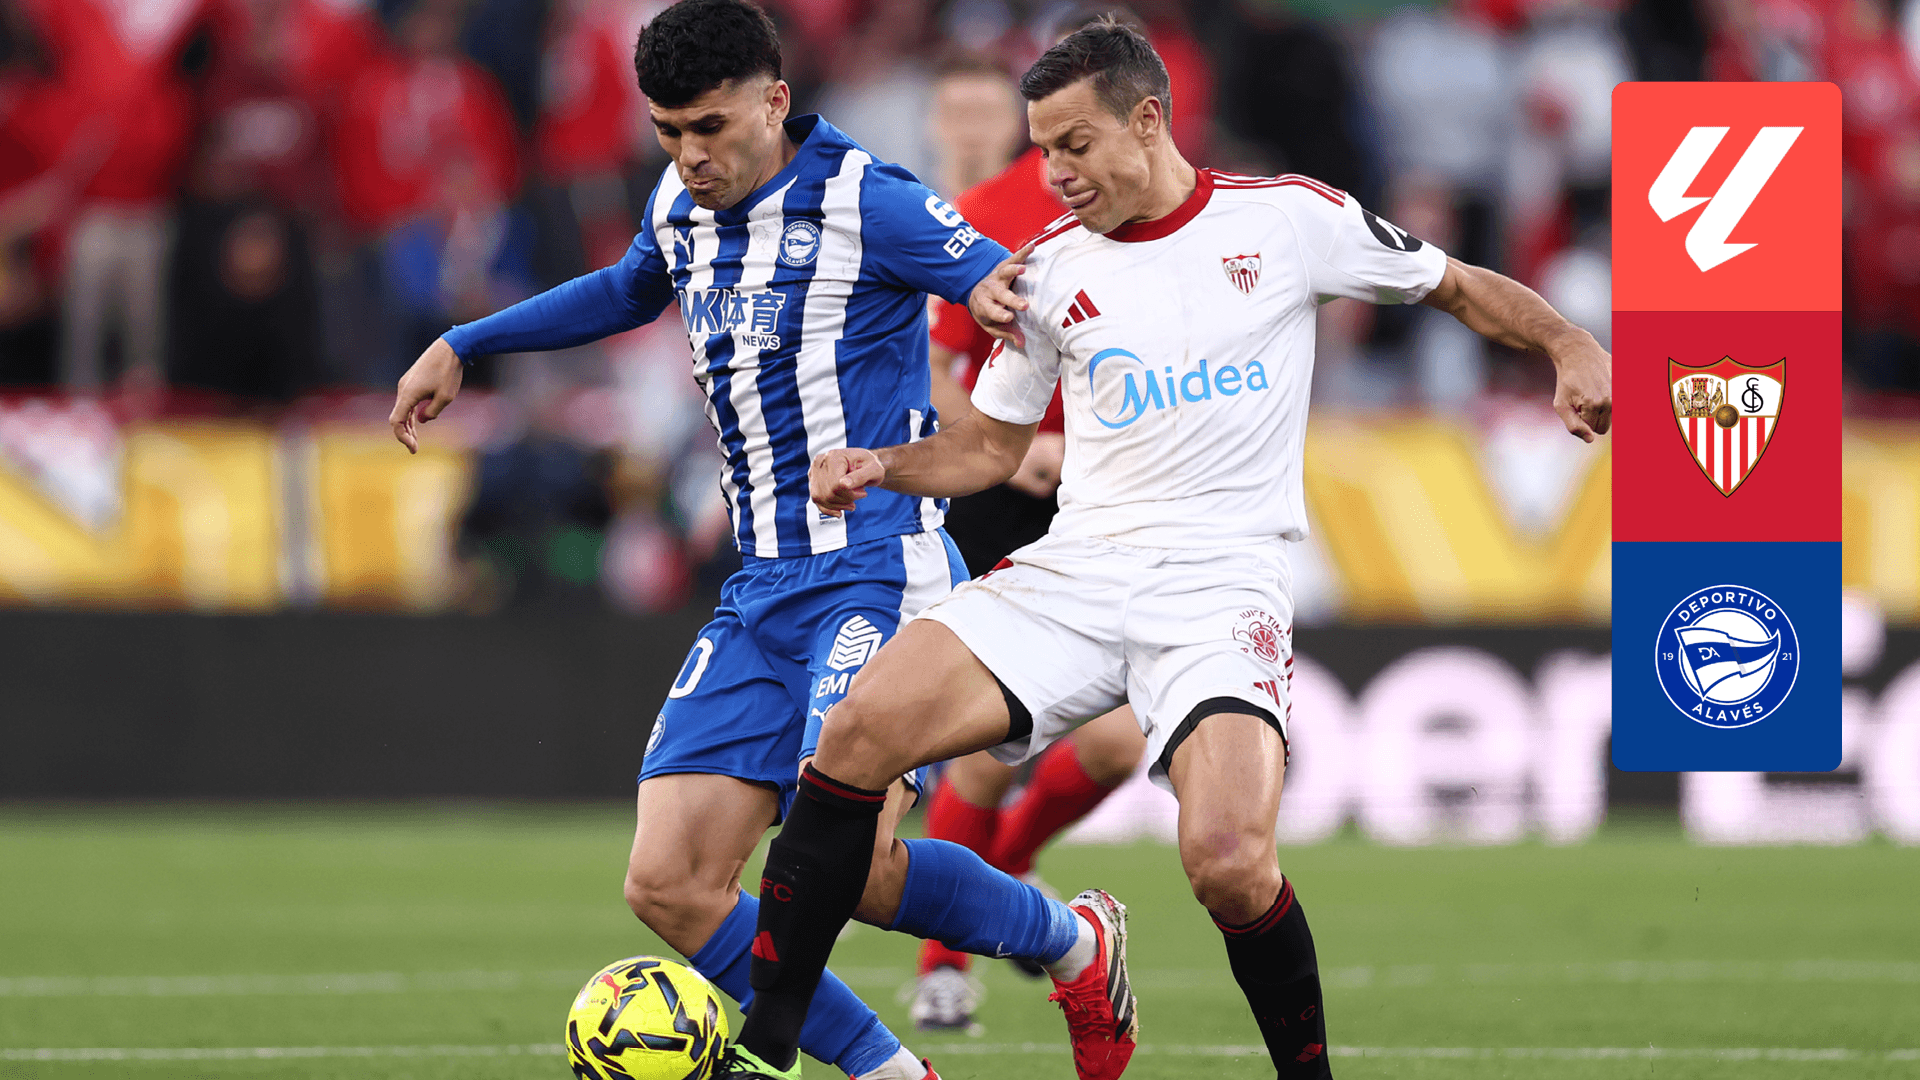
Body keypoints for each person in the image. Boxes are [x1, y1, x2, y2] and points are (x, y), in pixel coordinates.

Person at [725, 19, 1612, 1080]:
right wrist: (883, 464)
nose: (1056, 173)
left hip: (1220, 581)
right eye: (1042, 150)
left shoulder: (1290, 220)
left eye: (1075, 145)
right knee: (857, 730)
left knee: (1229, 865)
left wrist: (1569, 343)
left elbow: (1455, 284)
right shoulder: (1047, 271)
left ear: (1148, 120)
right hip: (1079, 566)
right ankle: (769, 1039)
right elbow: (992, 446)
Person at [386, 3, 1109, 1078]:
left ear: (774, 102)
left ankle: (1074, 942)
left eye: (711, 127)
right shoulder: (680, 202)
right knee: (670, 883)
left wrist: (1025, 381)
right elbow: (626, 289)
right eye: (669, 131)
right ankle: (893, 1072)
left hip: (877, 570)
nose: (690, 155)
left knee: (851, 862)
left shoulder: (868, 198)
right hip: (762, 590)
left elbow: (1006, 288)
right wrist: (466, 341)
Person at [912, 53, 1147, 1035]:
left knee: (1117, 745)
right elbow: (933, 367)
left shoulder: (1158, 211)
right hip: (1003, 496)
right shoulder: (981, 215)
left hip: (1105, 501)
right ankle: (942, 970)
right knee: (984, 747)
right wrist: (1013, 454)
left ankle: (1003, 878)